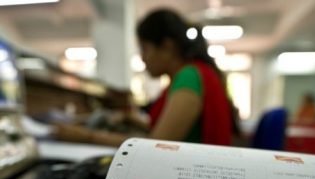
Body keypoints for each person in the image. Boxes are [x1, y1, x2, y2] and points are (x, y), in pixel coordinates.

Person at [54, 8, 233, 147]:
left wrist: (86, 136)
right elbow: (172, 130)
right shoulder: (193, 74)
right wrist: (131, 119)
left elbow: (157, 144)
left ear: (167, 47)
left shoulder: (188, 77)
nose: (142, 58)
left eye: (145, 49)